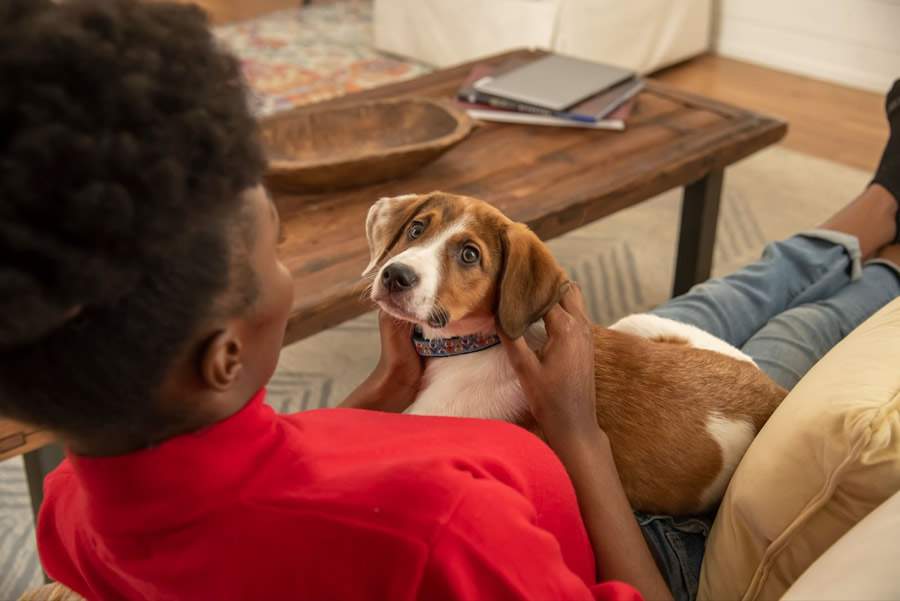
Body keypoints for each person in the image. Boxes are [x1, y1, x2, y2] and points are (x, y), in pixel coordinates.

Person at [0, 1, 897, 600]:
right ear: (223, 356)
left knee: (705, 305)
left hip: (513, 426)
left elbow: (277, 470)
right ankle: (886, 251)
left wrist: (385, 390)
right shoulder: (443, 531)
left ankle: (876, 211)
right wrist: (580, 432)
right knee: (782, 335)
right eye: (276, 245)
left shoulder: (69, 512)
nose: (289, 267)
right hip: (639, 521)